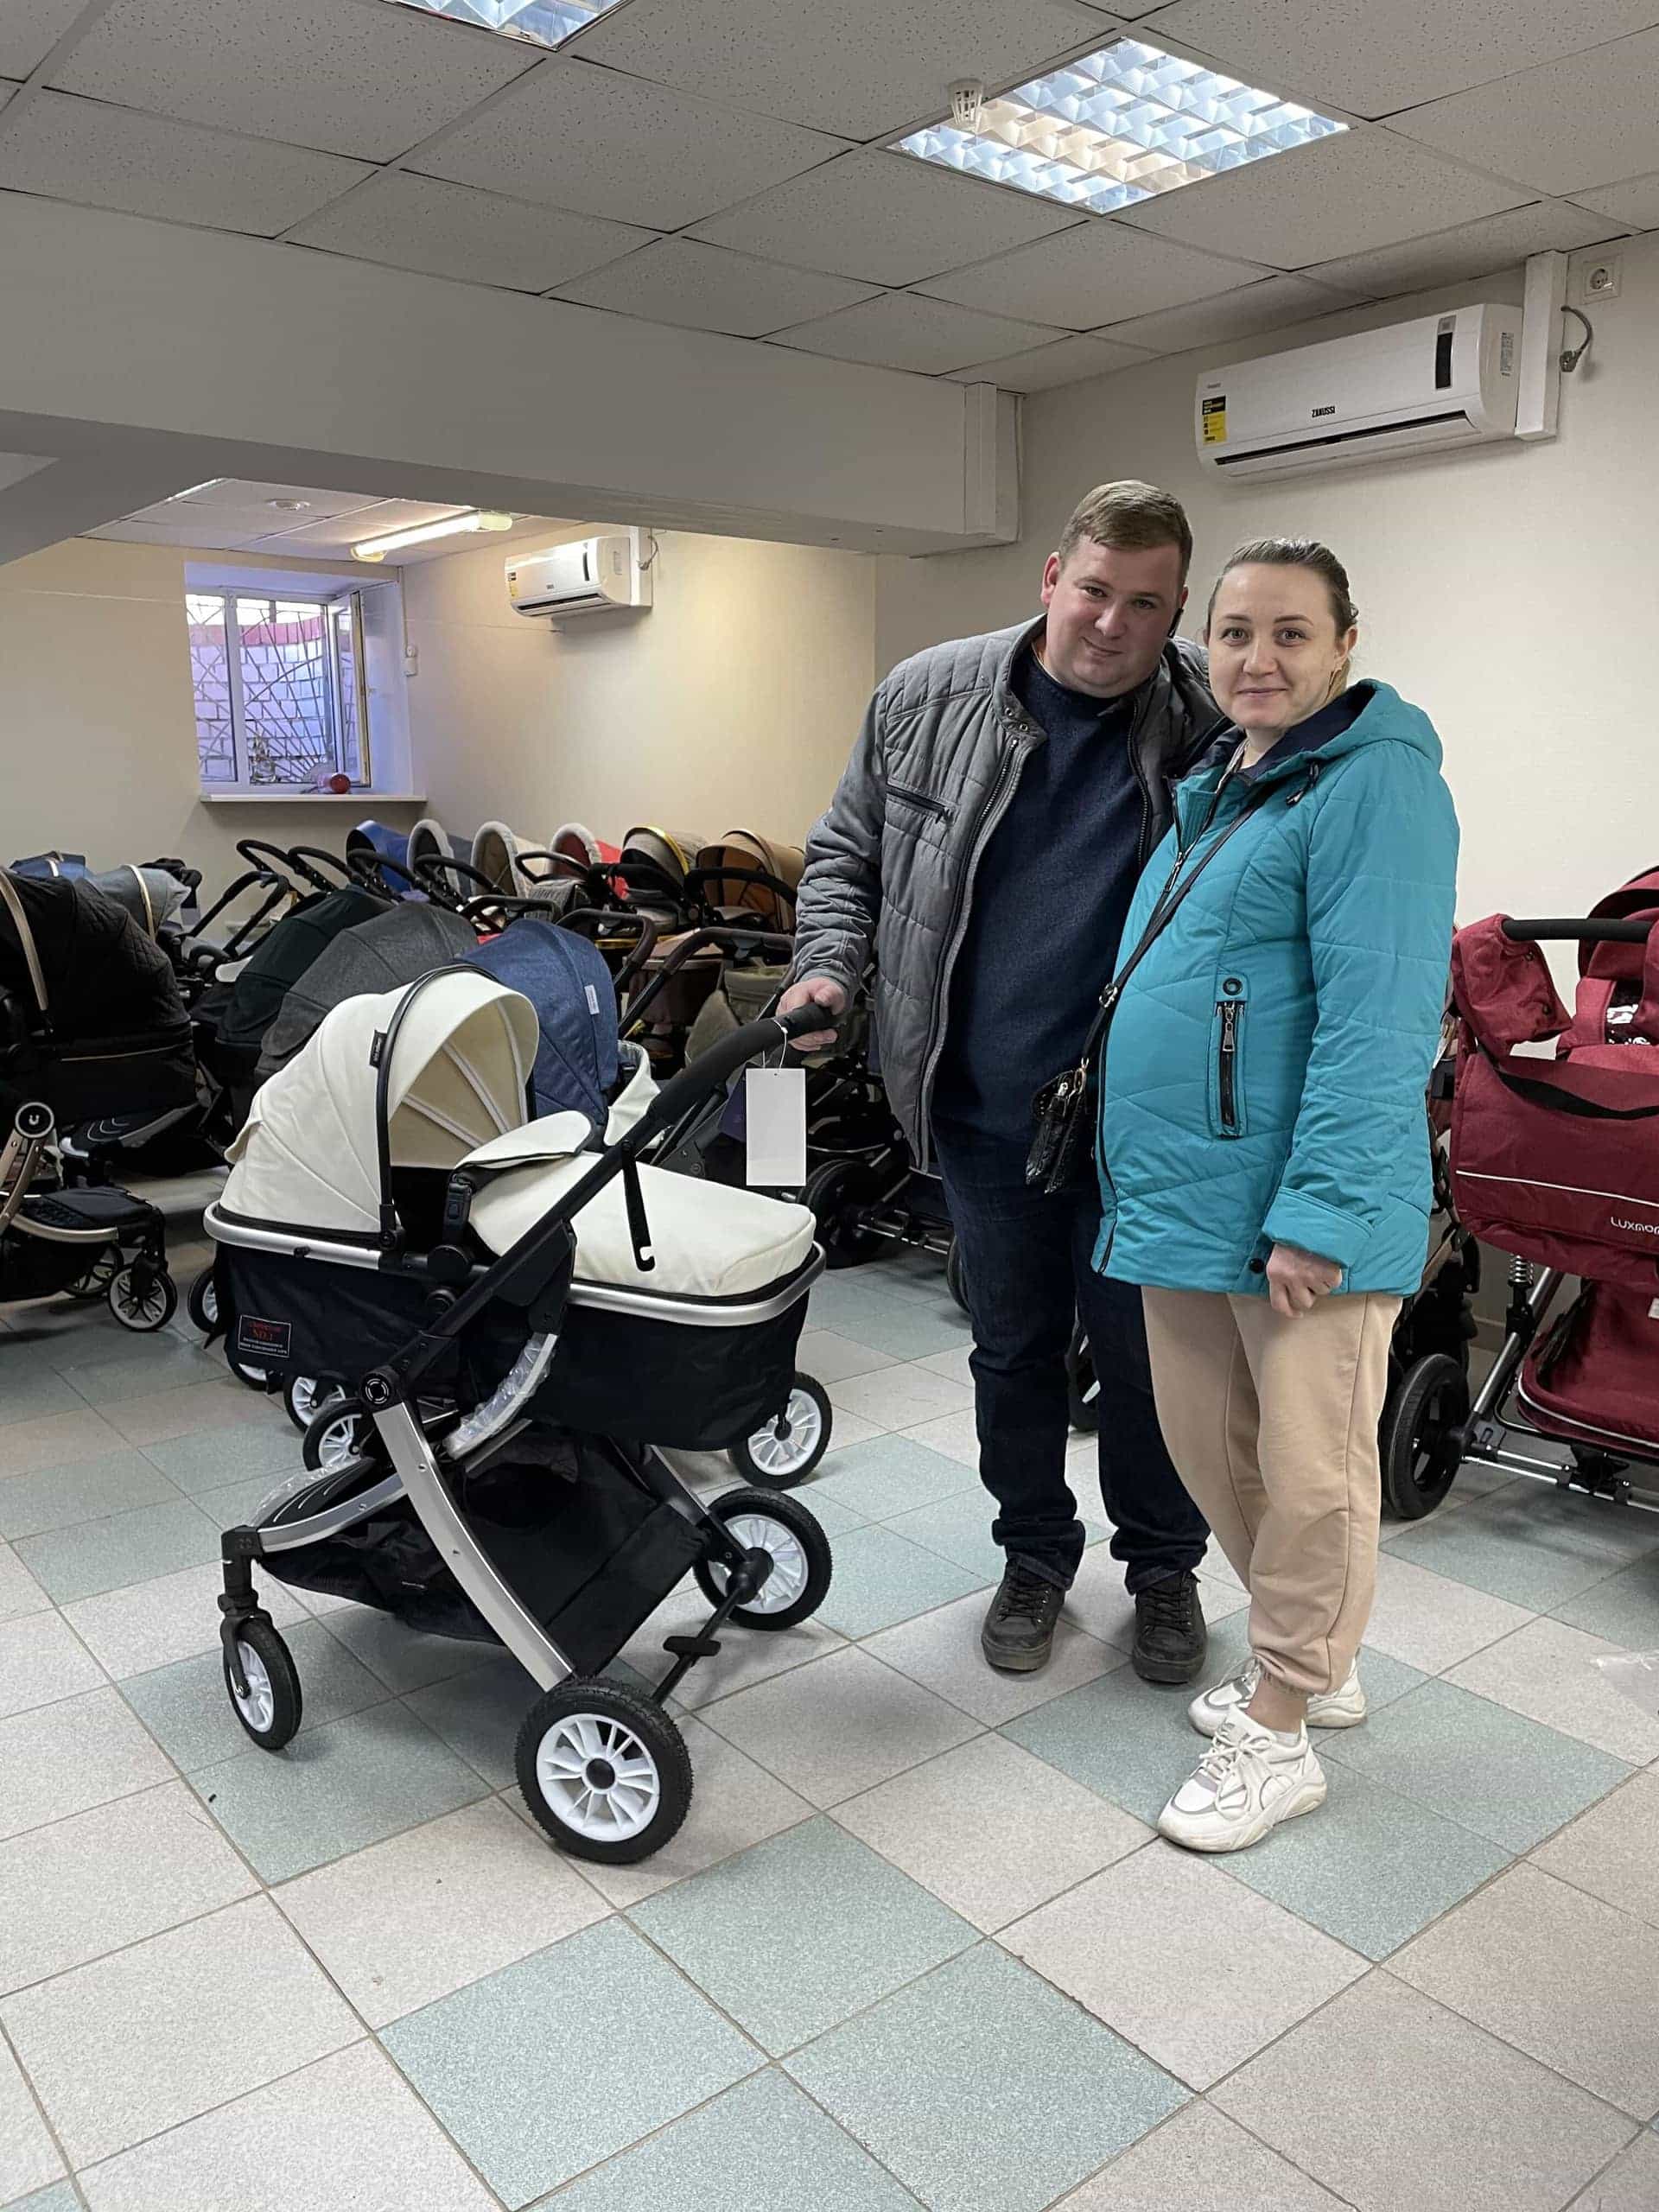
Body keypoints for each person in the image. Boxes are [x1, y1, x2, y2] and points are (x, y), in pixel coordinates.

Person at [780, 480, 1220, 1684]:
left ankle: (1164, 1568)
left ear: (1178, 608)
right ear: (1051, 577)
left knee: (1150, 1364)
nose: (1113, 624)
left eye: (1146, 604)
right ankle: (1033, 1557)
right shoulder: (926, 697)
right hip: (983, 1106)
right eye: (1094, 591)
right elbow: (846, 853)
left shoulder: (1211, 720)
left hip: (1144, 1123)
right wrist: (827, 968)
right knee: (1014, 1354)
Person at [1093, 537, 1459, 1852]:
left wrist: (1322, 1210)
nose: (1258, 658)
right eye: (1237, 632)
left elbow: (1381, 1017)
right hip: (1189, 1198)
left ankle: (1286, 1720)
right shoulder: (1229, 784)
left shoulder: (1375, 785)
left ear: (1345, 645)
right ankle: (1315, 1655)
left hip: (1299, 1208)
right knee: (1214, 1449)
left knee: (1311, 1473)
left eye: (1292, 633)